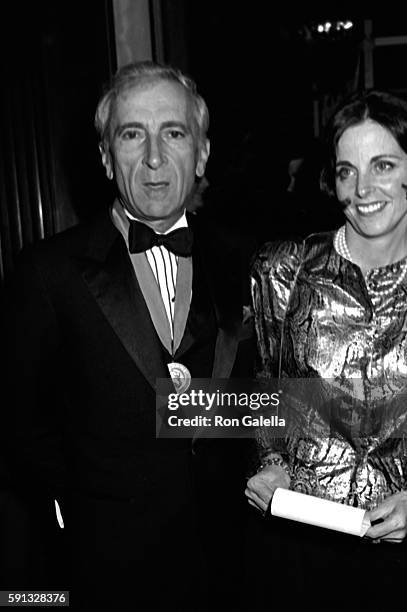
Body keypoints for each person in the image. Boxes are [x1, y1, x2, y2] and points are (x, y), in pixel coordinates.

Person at [1, 61, 255, 610]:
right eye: (132, 134)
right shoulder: (47, 272)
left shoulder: (248, 264)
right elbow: (21, 429)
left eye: (175, 133)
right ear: (105, 157)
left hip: (228, 567)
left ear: (203, 153)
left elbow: (258, 401)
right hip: (103, 572)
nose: (155, 158)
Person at [245, 89, 407, 608]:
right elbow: (264, 387)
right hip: (304, 545)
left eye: (383, 164)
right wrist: (271, 463)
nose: (363, 189)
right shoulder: (284, 269)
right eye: (346, 171)